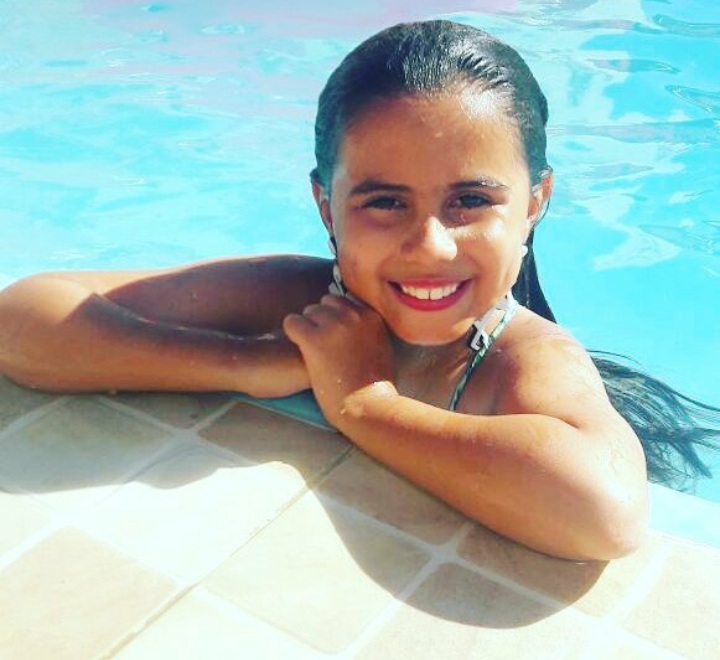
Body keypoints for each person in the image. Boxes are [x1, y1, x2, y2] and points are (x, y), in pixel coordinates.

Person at [0, 20, 716, 561]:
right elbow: (24, 316)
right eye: (385, 202)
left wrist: (364, 404)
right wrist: (249, 363)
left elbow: (604, 514)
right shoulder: (296, 298)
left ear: (534, 203)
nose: (431, 246)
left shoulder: (525, 358)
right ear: (326, 206)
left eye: (471, 201)